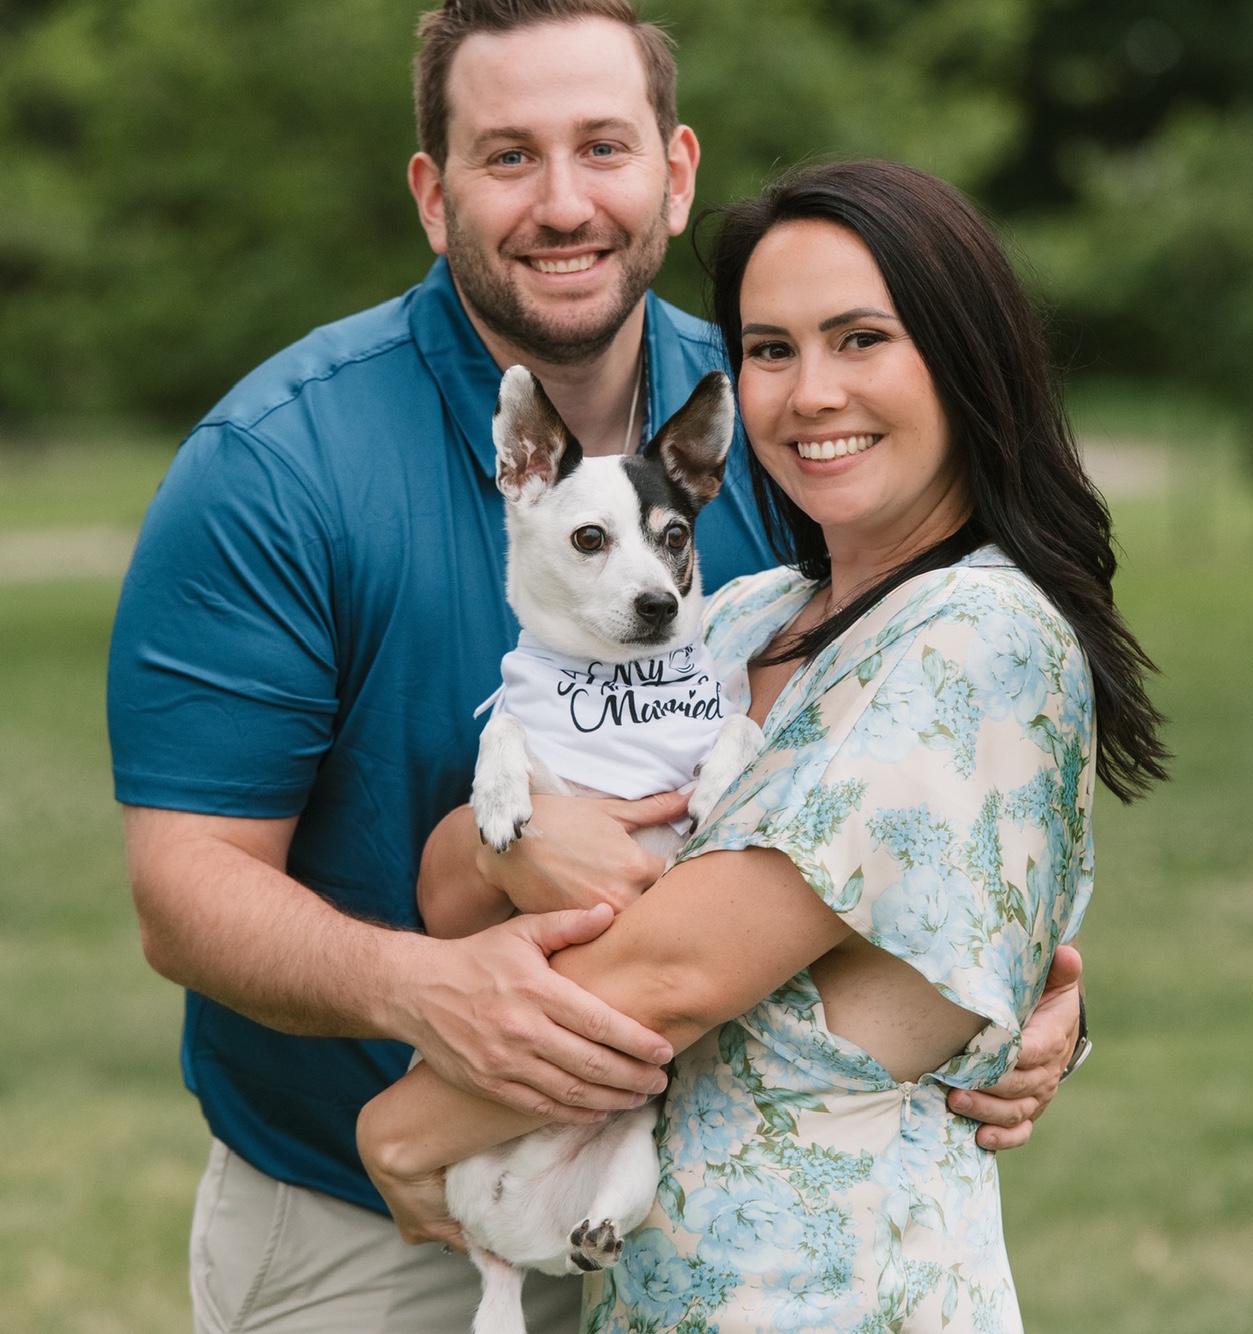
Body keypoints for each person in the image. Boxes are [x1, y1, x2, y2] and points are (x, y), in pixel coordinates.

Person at [107, 4, 1086, 1330]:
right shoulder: (277, 468)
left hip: (701, 1226)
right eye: (508, 155)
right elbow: (186, 892)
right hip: (376, 1223)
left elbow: (916, 776)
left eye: (602, 147)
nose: (563, 202)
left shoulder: (778, 430)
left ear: (674, 175)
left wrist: (1006, 992)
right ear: (432, 195)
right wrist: (431, 999)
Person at [357, 158, 1168, 1330]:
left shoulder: (974, 633)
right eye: (770, 349)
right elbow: (447, 882)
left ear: (961, 356)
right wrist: (514, 845)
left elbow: (667, 977)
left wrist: (400, 1125)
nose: (810, 392)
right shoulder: (736, 618)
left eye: (859, 339)